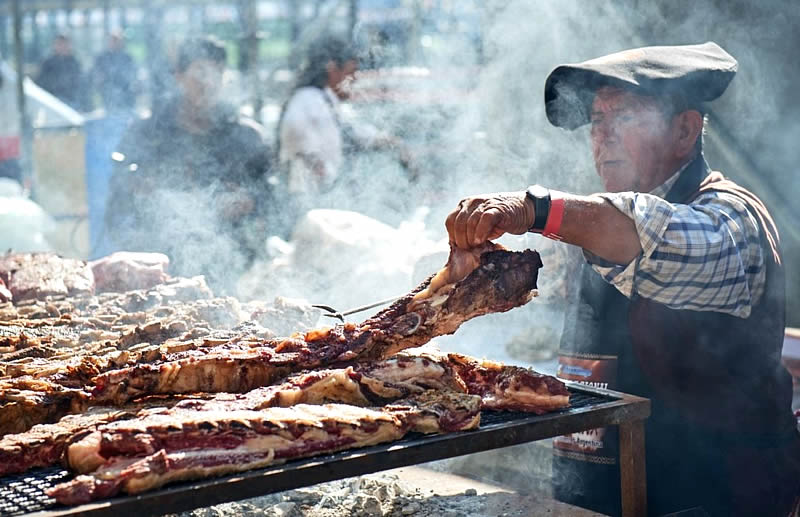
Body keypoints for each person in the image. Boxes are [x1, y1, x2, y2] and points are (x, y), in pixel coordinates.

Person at [445, 42, 799, 516]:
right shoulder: (595, 224)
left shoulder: (733, 218)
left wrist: (535, 207)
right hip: (595, 495)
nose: (602, 136)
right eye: (596, 120)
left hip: (708, 500)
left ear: (684, 130)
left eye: (624, 117)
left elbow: (652, 232)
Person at [103, 36, 273, 295]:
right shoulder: (147, 133)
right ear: (178, 75)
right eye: (200, 71)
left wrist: (250, 201)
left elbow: (273, 198)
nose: (208, 81)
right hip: (158, 275)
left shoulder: (247, 137)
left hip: (233, 272)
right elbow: (117, 204)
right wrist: (144, 197)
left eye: (217, 71)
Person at [277, 34, 416, 212]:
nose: (355, 80)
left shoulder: (324, 101)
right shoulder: (308, 101)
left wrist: (394, 144)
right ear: (332, 69)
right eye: (351, 73)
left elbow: (354, 131)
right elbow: (307, 155)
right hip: (308, 205)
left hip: (321, 202)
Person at [89, 31, 138, 113]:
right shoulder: (102, 58)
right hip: (108, 96)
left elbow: (132, 75)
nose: (115, 43)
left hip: (127, 98)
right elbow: (97, 76)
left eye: (118, 40)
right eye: (113, 40)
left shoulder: (127, 58)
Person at [36, 34, 87, 110]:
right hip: (53, 102)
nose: (63, 47)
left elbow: (81, 84)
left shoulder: (75, 63)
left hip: (73, 101)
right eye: (60, 44)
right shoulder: (48, 63)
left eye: (65, 44)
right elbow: (41, 83)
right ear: (54, 46)